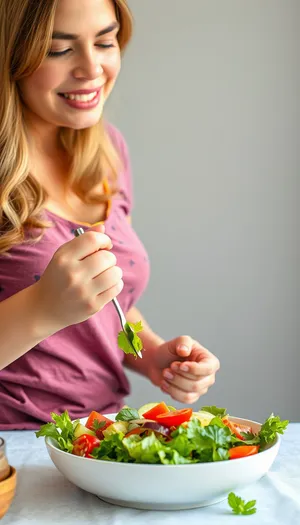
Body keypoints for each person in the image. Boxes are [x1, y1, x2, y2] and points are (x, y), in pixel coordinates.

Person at [0, 0, 220, 430]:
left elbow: (103, 299)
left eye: (105, 42)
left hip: (99, 435)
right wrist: (42, 309)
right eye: (58, 49)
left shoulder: (108, 152)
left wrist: (152, 354)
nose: (91, 68)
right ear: (11, 54)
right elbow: (60, 304)